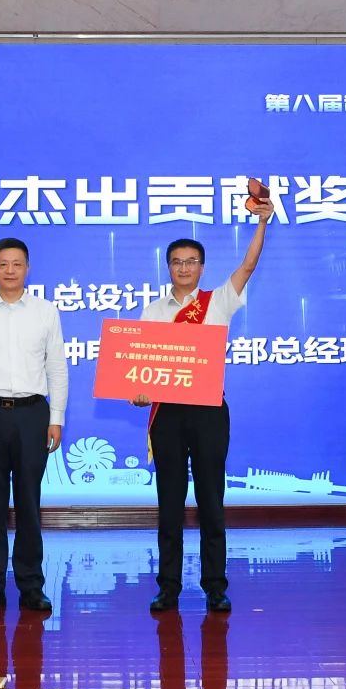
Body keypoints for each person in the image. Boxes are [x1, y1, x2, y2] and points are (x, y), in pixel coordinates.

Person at [134, 199, 274, 613]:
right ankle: (168, 587)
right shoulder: (153, 311)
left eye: (191, 262)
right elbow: (140, 365)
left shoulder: (218, 302)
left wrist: (262, 223)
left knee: (211, 501)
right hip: (168, 414)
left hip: (209, 410)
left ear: (202, 267)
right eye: (177, 262)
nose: (184, 268)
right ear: (168, 267)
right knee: (170, 504)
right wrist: (138, 389)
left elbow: (248, 266)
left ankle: (215, 585)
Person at [0, 237, 68, 614]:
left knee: (29, 503)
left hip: (33, 414)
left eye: (17, 264)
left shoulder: (45, 312)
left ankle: (32, 585)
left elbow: (57, 368)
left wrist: (56, 418)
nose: (10, 270)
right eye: (3, 264)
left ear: (27, 268)